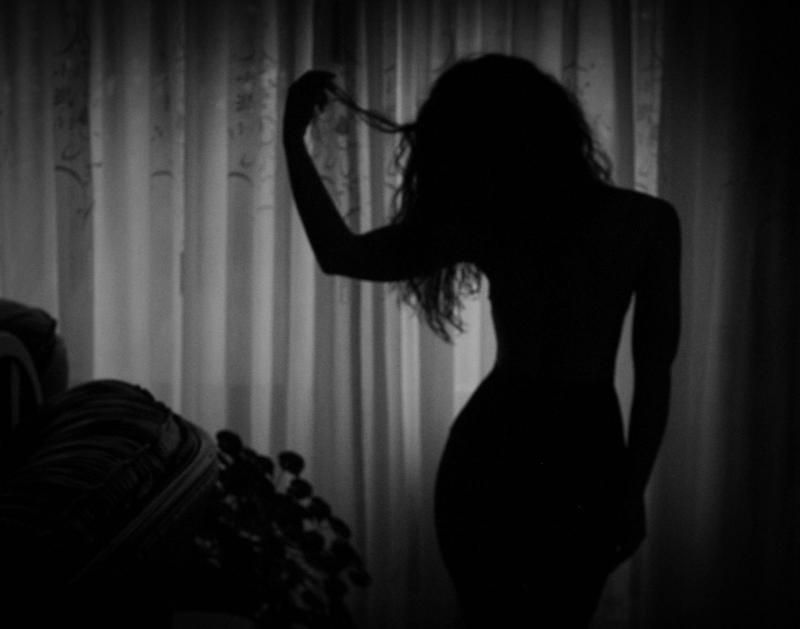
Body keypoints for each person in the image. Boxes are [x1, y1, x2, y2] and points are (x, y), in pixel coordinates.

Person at [282, 54, 680, 627]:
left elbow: (340, 254)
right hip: (580, 444)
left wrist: (294, 142)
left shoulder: (492, 223)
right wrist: (631, 485)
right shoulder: (645, 221)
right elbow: (654, 371)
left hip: (499, 439)